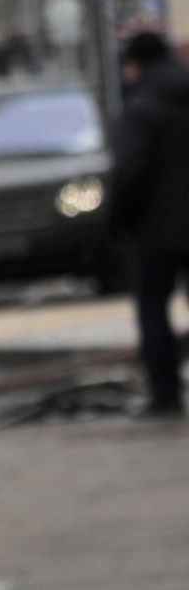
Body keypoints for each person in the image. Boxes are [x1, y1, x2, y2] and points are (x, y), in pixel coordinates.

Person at [110, 31, 189, 418]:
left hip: (157, 232)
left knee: (153, 311)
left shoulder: (140, 106)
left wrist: (116, 224)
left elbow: (129, 173)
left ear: (135, 64)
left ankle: (165, 393)